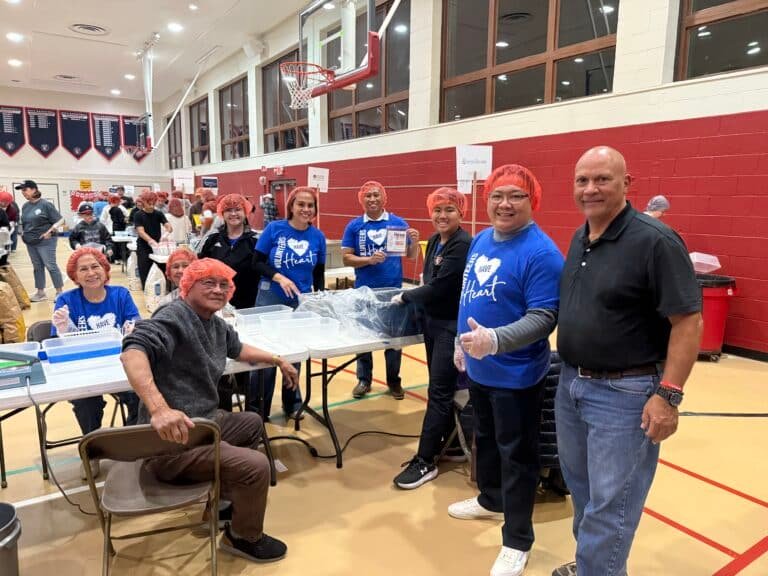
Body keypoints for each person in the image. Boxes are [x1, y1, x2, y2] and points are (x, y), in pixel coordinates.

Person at [553, 147, 702, 576]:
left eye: (602, 179)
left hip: (625, 394)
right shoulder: (580, 237)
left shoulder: (655, 241)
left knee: (611, 506)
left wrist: (668, 396)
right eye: (582, 180)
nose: (590, 189)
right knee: (584, 495)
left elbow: (688, 322)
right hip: (571, 385)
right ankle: (595, 566)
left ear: (626, 183)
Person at [121, 258, 298, 563]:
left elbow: (238, 349)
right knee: (256, 465)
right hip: (170, 443)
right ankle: (243, 537)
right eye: (208, 283)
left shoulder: (215, 324)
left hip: (201, 425)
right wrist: (159, 409)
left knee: (251, 422)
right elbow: (133, 352)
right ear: (187, 286)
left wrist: (277, 359)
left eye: (224, 285)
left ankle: (222, 502)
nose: (218, 290)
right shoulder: (174, 316)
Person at [449, 164, 563, 576]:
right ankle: (490, 499)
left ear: (533, 201)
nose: (505, 203)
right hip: (480, 370)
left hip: (517, 376)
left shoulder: (542, 253)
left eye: (516, 195)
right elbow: (469, 296)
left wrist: (495, 340)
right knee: (487, 442)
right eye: (497, 195)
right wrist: (459, 341)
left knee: (518, 456)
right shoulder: (481, 240)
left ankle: (517, 540)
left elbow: (544, 317)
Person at [390, 188, 471, 489]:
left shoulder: (462, 244)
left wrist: (406, 296)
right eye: (437, 210)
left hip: (451, 326)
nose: (442, 215)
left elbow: (440, 287)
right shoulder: (436, 240)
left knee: (439, 390)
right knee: (440, 386)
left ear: (461, 213)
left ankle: (425, 461)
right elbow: (429, 279)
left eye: (449, 209)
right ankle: (451, 444)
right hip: (433, 323)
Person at [51, 247, 142, 477]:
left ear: (105, 269)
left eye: (95, 266)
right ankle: (92, 452)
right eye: (83, 269)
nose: (91, 273)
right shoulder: (66, 300)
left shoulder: (120, 295)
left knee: (140, 394)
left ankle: (132, 445)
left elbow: (136, 325)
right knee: (86, 402)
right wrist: (63, 330)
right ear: (75, 275)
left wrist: (134, 328)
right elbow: (56, 344)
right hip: (83, 369)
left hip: (120, 366)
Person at [251, 186, 326, 419]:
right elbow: (256, 262)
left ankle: (292, 402)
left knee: (295, 352)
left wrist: (318, 298)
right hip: (270, 297)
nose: (306, 209)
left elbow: (319, 273)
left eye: (310, 205)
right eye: (300, 204)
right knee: (265, 353)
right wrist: (279, 277)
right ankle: (257, 410)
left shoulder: (317, 236)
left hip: (300, 300)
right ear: (291, 206)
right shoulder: (275, 229)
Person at [341, 180, 419, 400]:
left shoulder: (397, 223)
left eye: (376, 195)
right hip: (363, 292)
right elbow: (346, 258)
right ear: (362, 199)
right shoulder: (354, 226)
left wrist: (414, 242)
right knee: (363, 338)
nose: (372, 199)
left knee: (394, 340)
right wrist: (368, 260)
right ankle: (364, 380)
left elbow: (411, 255)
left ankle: (393, 381)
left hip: (392, 292)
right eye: (368, 195)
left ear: (384, 198)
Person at [17, 180, 66, 302]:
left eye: (25, 189)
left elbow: (60, 220)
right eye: (22, 190)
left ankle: (60, 292)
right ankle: (40, 293)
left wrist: (51, 231)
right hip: (31, 242)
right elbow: (24, 222)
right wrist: (23, 233)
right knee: (37, 267)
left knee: (51, 266)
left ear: (34, 189)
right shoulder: (25, 206)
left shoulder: (45, 205)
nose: (23, 192)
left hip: (46, 241)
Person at [133, 190, 172, 289]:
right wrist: (150, 240)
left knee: (161, 268)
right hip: (144, 246)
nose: (151, 206)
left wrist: (166, 234)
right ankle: (147, 290)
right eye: (149, 203)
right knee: (145, 270)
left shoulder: (158, 214)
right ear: (143, 202)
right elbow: (141, 231)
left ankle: (162, 289)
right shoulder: (138, 215)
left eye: (153, 203)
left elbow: (169, 227)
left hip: (157, 247)